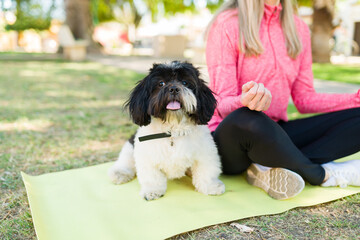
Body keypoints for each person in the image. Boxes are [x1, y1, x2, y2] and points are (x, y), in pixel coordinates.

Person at [206, 0, 360, 200]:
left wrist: (355, 99)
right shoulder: (227, 24)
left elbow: (304, 99)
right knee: (247, 118)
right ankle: (322, 174)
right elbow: (221, 105)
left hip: (275, 132)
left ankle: (268, 166)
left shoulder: (299, 28)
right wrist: (244, 101)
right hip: (232, 140)